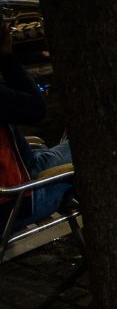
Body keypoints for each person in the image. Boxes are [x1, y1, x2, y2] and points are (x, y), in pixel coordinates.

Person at [0, 20, 72, 223]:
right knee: (94, 146)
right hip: (16, 200)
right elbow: (37, 110)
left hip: (23, 170)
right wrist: (6, 57)